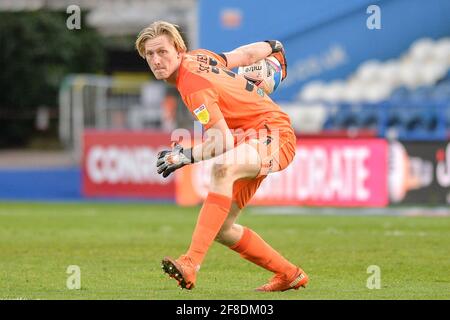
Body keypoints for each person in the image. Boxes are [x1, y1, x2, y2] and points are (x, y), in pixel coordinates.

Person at [135, 21, 308, 292]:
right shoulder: (200, 57)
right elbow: (244, 56)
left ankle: (191, 262)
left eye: (162, 52)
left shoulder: (192, 84)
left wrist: (185, 156)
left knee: (223, 168)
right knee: (222, 229)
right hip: (254, 139)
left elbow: (222, 140)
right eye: (150, 55)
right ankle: (289, 274)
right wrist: (273, 46)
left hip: (274, 134)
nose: (157, 60)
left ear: (179, 50)